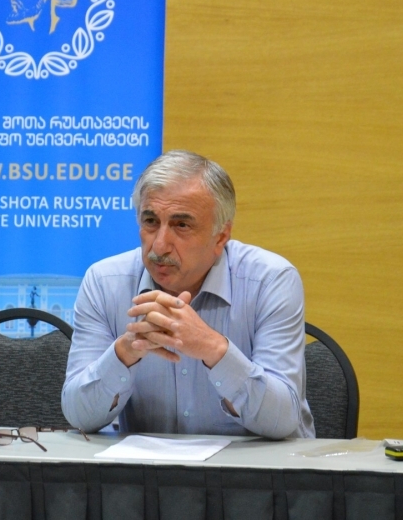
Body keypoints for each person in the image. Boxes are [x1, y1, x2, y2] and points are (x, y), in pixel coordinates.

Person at [61, 150, 315, 438]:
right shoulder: (104, 283)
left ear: (221, 237)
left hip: (255, 466)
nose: (159, 246)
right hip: (148, 467)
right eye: (150, 221)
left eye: (181, 225)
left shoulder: (271, 281)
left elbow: (281, 421)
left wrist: (212, 348)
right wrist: (123, 354)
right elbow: (79, 418)